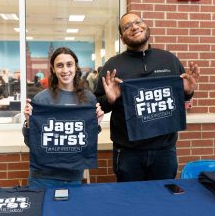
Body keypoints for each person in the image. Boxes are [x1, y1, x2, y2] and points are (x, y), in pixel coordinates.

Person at [94, 13, 200, 182]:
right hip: (128, 153)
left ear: (146, 27)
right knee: (131, 202)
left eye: (138, 22)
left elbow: (180, 99)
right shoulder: (113, 66)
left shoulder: (169, 60)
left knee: (163, 202)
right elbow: (97, 105)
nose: (134, 27)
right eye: (127, 26)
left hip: (164, 151)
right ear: (122, 38)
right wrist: (110, 100)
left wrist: (187, 92)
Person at [23, 47, 104, 188]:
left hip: (73, 176)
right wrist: (29, 123)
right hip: (42, 177)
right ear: (53, 69)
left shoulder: (88, 99)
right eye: (59, 65)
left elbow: (85, 143)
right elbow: (32, 144)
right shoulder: (42, 99)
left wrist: (95, 124)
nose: (65, 70)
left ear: (75, 67)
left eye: (69, 64)